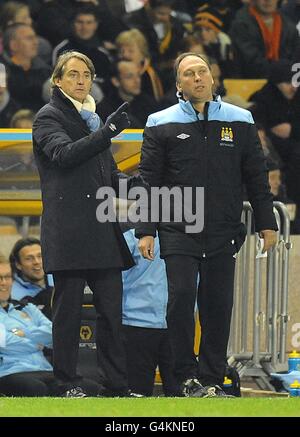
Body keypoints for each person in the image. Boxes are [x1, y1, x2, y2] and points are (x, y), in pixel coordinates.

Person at [136, 52, 277, 397]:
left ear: (212, 78)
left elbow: (256, 177)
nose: (197, 77)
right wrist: (145, 229)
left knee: (218, 307)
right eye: (189, 74)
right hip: (176, 228)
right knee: (181, 299)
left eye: (202, 71)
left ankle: (212, 380)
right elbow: (148, 181)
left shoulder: (241, 119)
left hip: (223, 231)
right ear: (179, 85)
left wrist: (267, 223)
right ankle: (185, 377)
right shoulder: (159, 121)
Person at [32, 50, 140, 397]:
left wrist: (147, 186)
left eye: (87, 75)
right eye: (74, 74)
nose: (81, 81)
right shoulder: (48, 117)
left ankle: (117, 386)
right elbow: (64, 155)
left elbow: (110, 177)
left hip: (101, 231)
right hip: (69, 233)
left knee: (111, 314)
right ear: (58, 80)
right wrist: (107, 132)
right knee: (68, 314)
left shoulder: (92, 121)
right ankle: (66, 382)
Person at [0, 255, 99, 397]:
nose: (4, 283)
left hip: (45, 369)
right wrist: (39, 343)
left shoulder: (27, 307)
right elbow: (6, 344)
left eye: (7, 277)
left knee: (92, 387)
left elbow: (54, 337)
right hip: (11, 372)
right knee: (36, 389)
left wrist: (24, 332)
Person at [122, 226, 177, 397]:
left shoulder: (187, 238)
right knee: (137, 393)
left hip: (176, 325)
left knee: (180, 393)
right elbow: (116, 279)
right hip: (136, 324)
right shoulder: (131, 238)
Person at [9, 238, 54, 320]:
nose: (36, 262)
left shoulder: (59, 280)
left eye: (40, 256)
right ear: (18, 264)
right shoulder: (12, 294)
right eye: (29, 258)